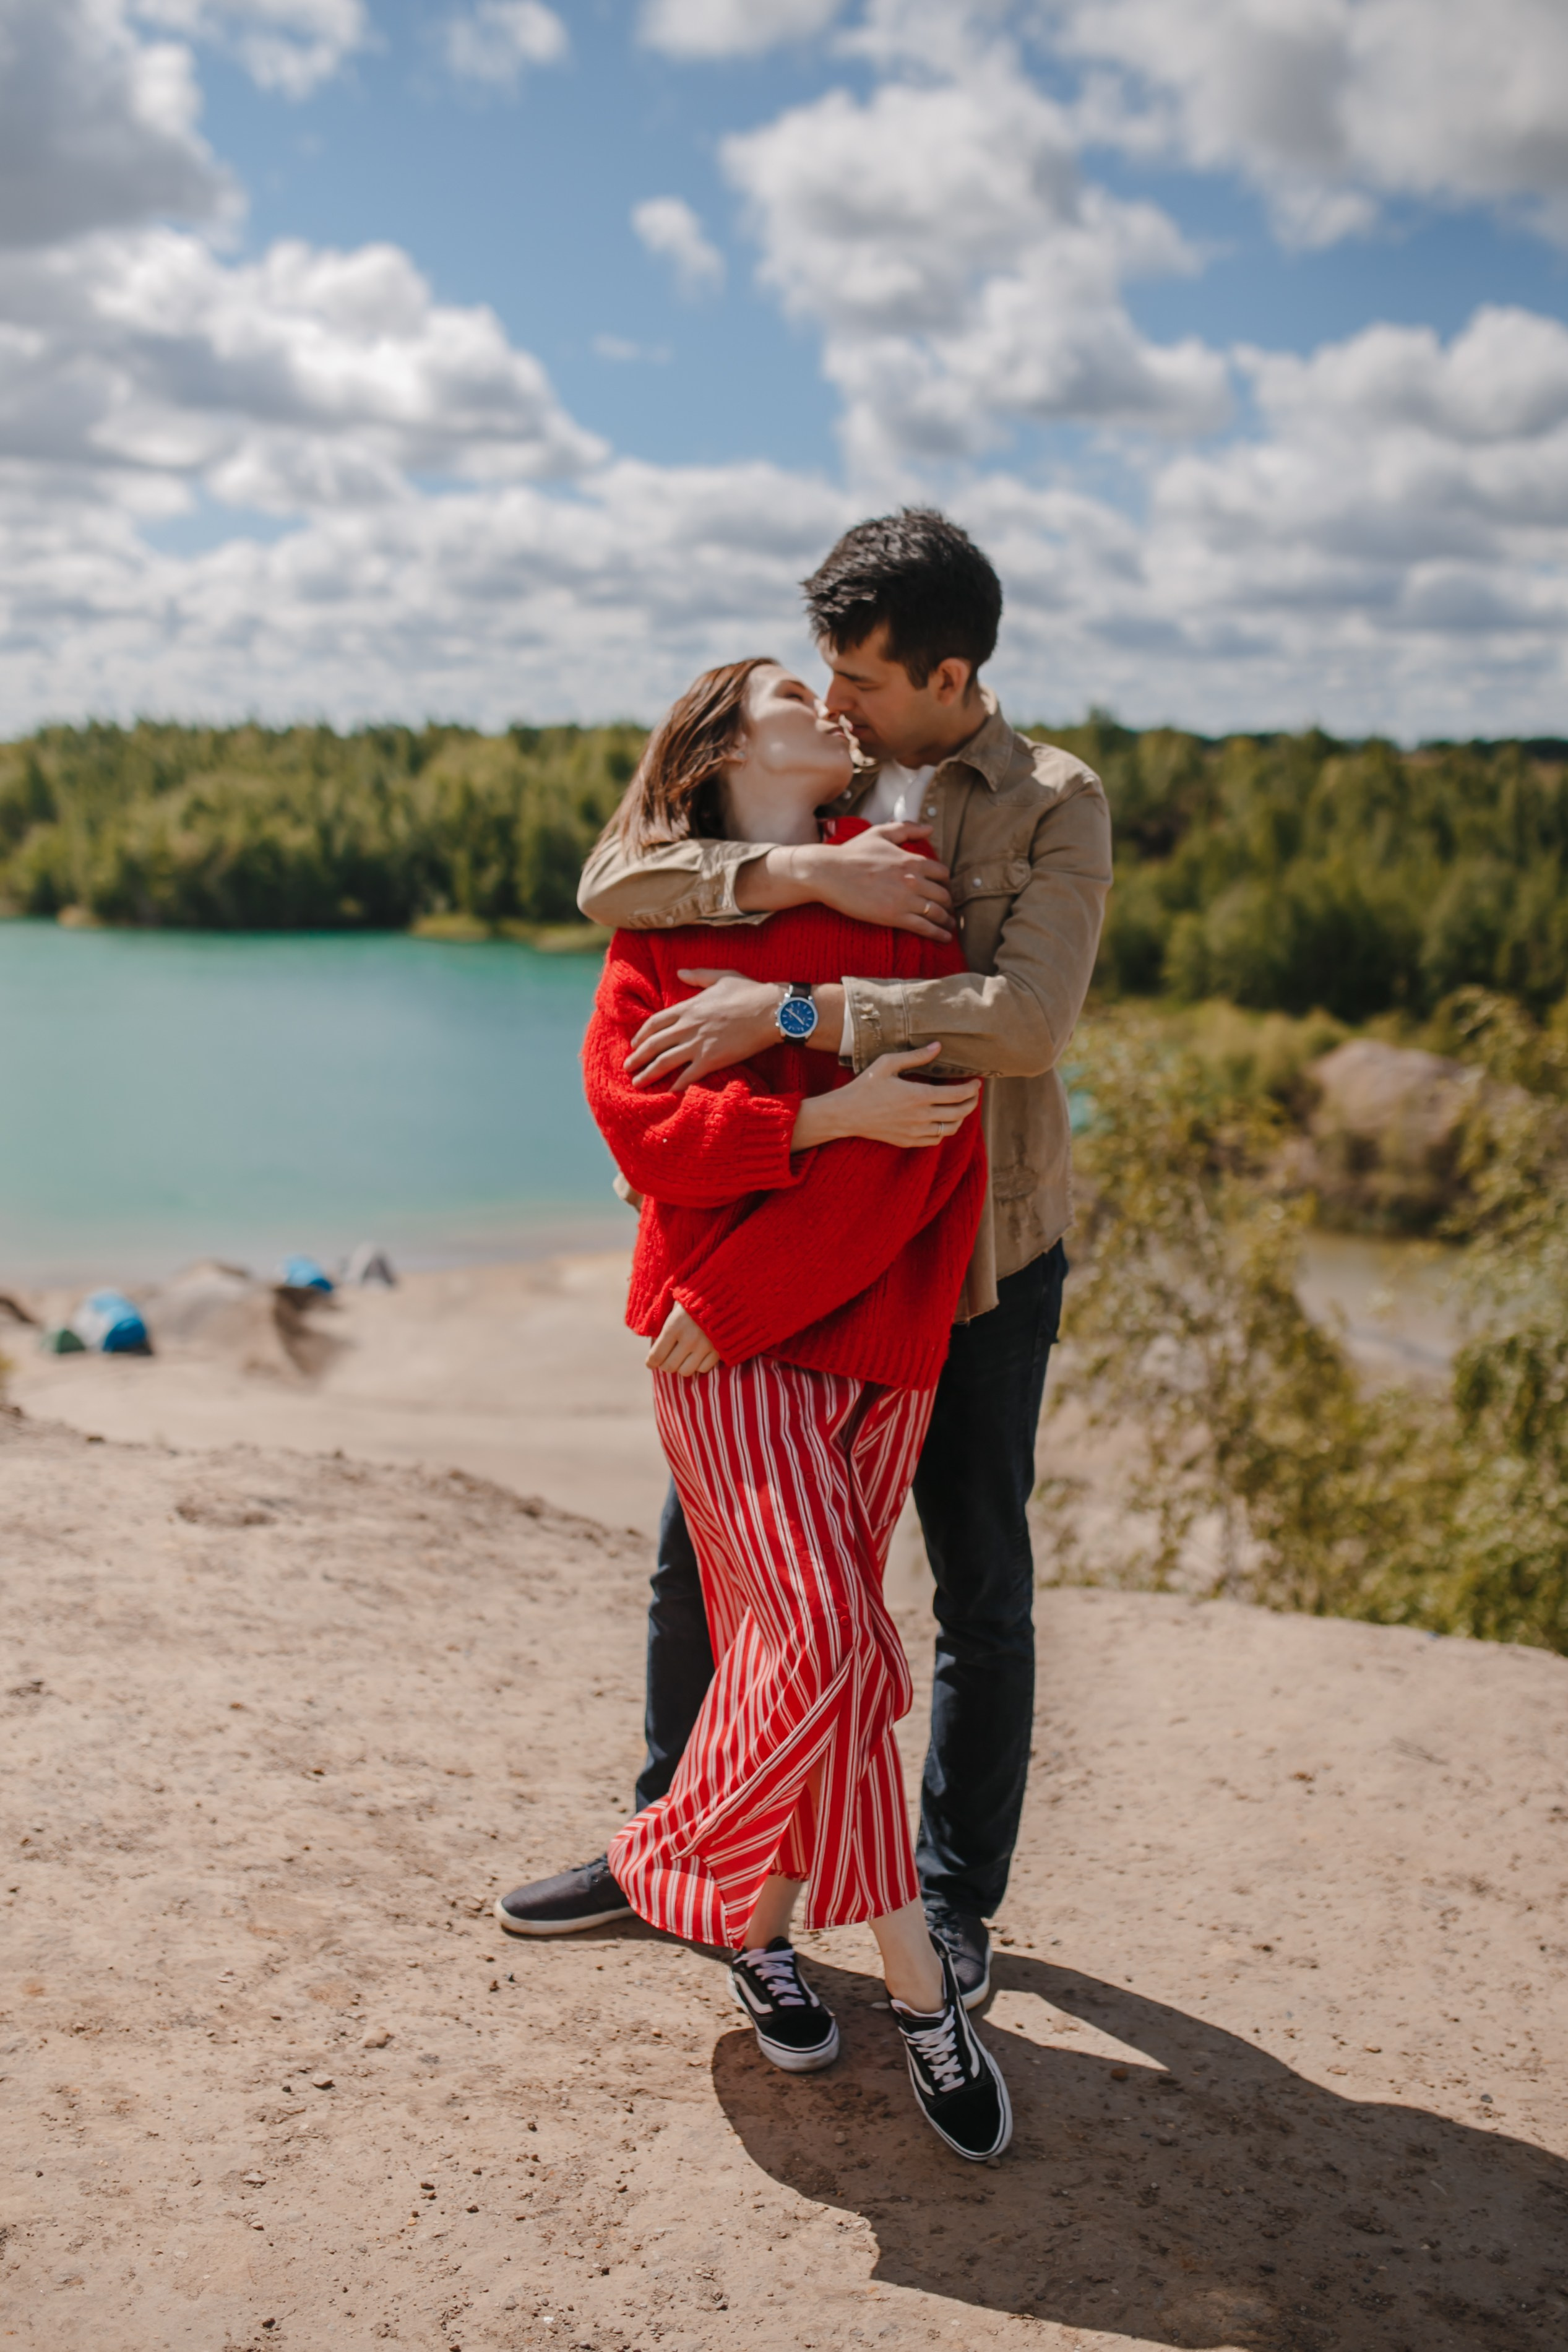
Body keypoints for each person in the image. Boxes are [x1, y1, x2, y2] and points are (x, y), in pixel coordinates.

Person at [499, 508, 1111, 2013]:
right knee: (702, 1558)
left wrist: (792, 1017)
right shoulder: (832, 792)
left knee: (974, 1572)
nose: (834, 701)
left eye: (861, 680)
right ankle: (673, 1840)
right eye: (821, 676)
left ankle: (950, 1905)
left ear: (949, 672)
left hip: (976, 1243)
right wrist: (798, 887)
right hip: (801, 1237)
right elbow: (615, 883)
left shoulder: (1050, 799)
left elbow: (1023, 1021)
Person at [575, 653, 1010, 2161]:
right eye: (788, 692)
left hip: (870, 1337)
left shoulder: (900, 890)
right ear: (718, 751)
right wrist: (820, 1106)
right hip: (714, 1345)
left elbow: (929, 1146)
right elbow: (644, 1126)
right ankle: (913, 1982)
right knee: (831, 1643)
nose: (828, 707)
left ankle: (740, 1909)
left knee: (804, 1650)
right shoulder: (664, 905)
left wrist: (786, 1045)